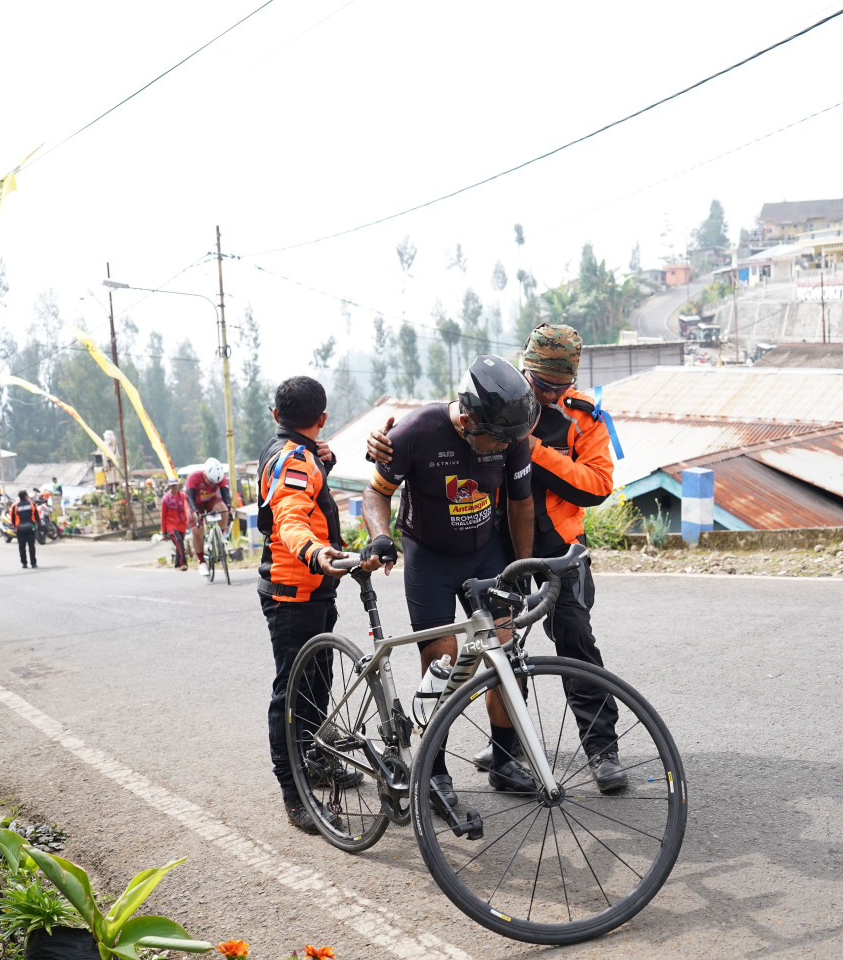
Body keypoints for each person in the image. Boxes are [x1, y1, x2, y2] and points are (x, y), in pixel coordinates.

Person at [368, 325, 627, 792]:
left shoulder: (580, 417)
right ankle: (468, 759)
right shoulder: (486, 401)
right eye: (541, 384)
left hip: (549, 545)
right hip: (475, 544)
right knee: (471, 657)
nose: (549, 394)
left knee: (564, 642)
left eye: (560, 386)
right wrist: (385, 452)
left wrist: (530, 448)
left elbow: (593, 487)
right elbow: (410, 454)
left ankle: (596, 749)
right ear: (525, 370)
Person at [360, 355, 538, 807]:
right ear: (468, 419)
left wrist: (521, 569)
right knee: (443, 662)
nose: (504, 447)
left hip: (485, 552)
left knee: (506, 655)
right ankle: (434, 770)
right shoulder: (416, 432)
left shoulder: (510, 433)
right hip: (430, 558)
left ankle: (503, 760)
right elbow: (376, 492)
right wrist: (381, 536)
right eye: (495, 441)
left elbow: (521, 504)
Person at [257, 375, 374, 833]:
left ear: (276, 415)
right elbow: (289, 516)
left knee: (317, 683)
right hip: (294, 592)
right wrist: (315, 551)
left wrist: (323, 459)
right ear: (322, 418)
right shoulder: (294, 459)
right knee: (291, 693)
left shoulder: (296, 453)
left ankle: (317, 761)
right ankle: (294, 793)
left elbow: (304, 496)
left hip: (313, 588)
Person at [185, 457, 232, 575]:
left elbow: (225, 495)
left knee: (223, 510)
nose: (212, 485)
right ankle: (201, 562)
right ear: (205, 475)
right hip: (195, 502)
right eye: (210, 482)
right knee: (197, 530)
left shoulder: (220, 477)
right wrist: (195, 511)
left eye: (215, 483)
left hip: (210, 499)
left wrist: (229, 506)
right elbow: (191, 498)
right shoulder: (193, 477)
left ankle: (220, 537)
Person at [160, 480, 189, 569]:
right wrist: (164, 532)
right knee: (179, 541)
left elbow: (187, 509)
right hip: (171, 525)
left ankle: (177, 564)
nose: (174, 487)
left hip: (182, 524)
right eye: (172, 485)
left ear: (178, 485)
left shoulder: (183, 496)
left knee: (179, 544)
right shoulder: (166, 499)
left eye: (175, 485)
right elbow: (163, 516)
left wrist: (188, 521)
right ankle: (183, 563)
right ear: (169, 486)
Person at [8, 490, 40, 569]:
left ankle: (24, 563)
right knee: (31, 546)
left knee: (22, 547)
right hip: (30, 528)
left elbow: (12, 518)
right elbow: (37, 515)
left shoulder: (15, 506)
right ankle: (33, 563)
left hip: (20, 529)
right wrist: (38, 523)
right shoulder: (32, 504)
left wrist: (15, 526)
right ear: (26, 496)